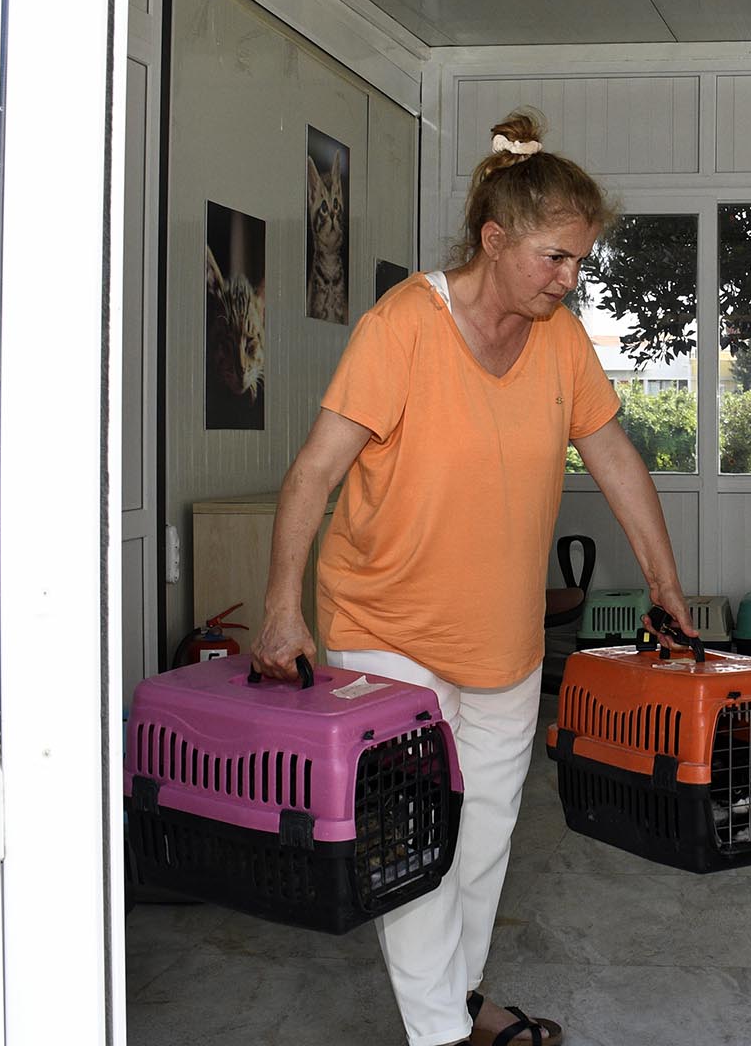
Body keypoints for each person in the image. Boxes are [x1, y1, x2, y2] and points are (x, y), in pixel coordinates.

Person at [251, 109, 696, 1046]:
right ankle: (440, 1036)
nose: (570, 279)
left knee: (482, 845)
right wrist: (281, 609)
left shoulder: (560, 340)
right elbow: (315, 473)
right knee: (412, 841)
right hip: (386, 629)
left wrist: (666, 582)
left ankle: (458, 1001)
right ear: (494, 241)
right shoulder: (405, 325)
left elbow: (614, 457)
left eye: (580, 262)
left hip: (503, 644)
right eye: (555, 259)